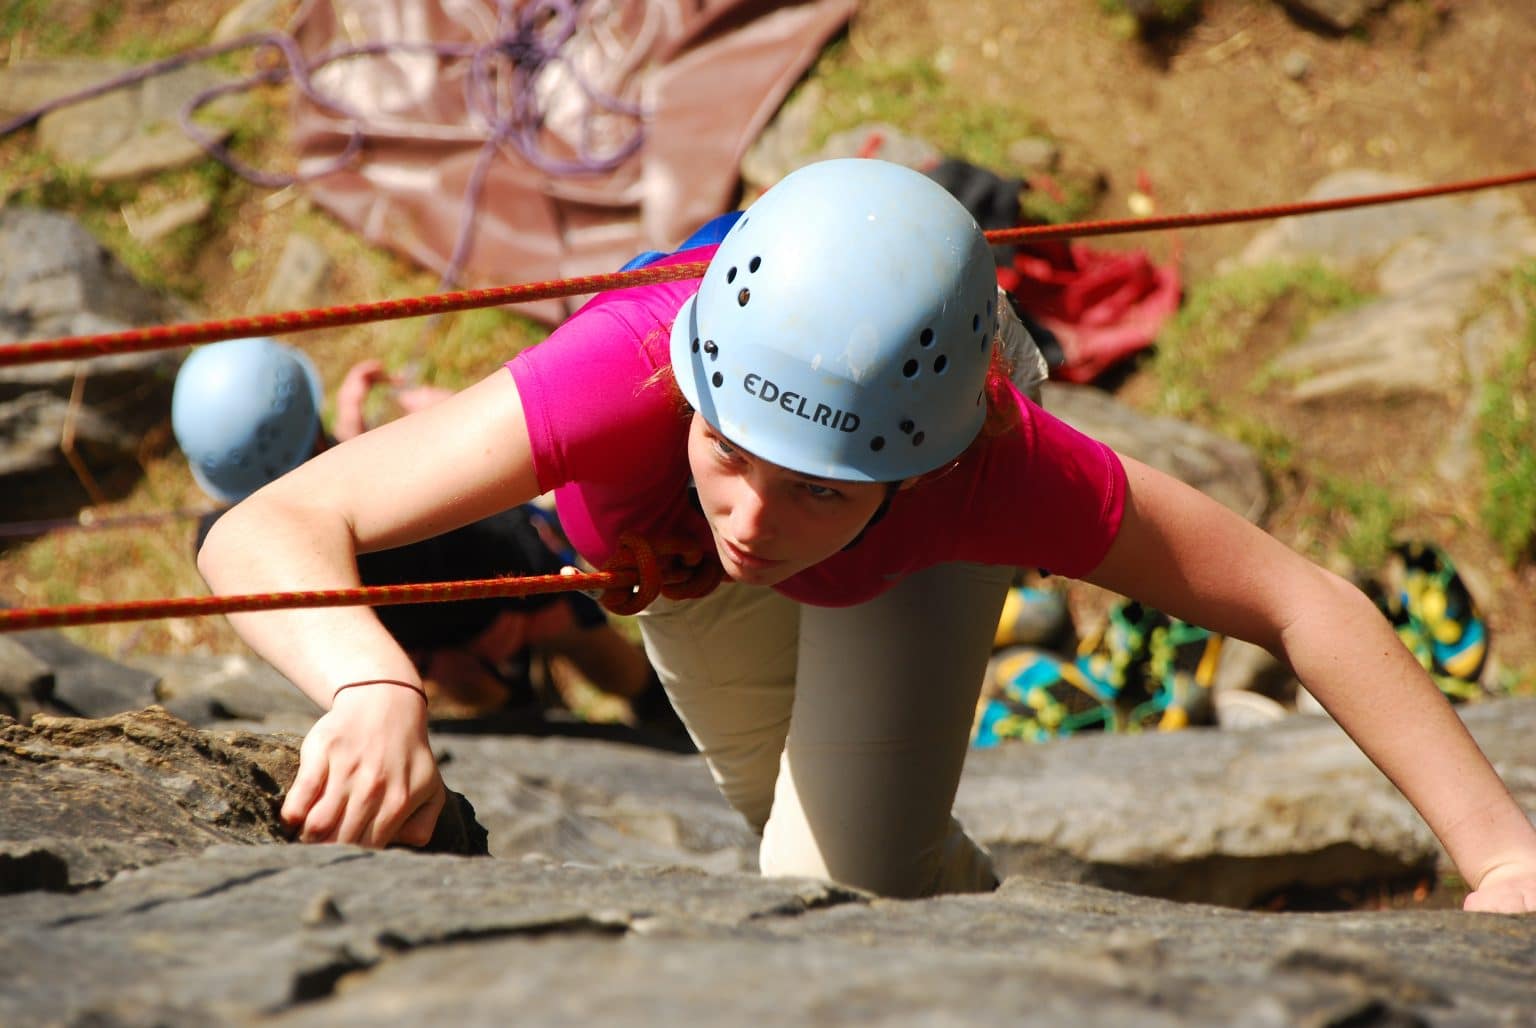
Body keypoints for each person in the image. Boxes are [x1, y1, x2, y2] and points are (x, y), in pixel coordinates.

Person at [196, 158, 1536, 911]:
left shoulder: (991, 465)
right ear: (696, 390)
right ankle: (987, 928)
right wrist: (372, 685)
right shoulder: (638, 368)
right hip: (679, 573)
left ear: (921, 461)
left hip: (919, 566)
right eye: (732, 453)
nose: (758, 523)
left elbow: (1301, 603)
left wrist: (1503, 855)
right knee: (796, 825)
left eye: (819, 487)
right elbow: (270, 527)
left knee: (835, 882)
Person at [172, 336, 684, 744]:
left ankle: (534, 716)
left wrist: (354, 438)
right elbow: (423, 501)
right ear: (314, 428)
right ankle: (655, 707)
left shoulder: (223, 545)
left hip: (434, 648)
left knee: (508, 703)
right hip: (512, 576)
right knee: (601, 655)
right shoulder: (380, 522)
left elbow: (319, 507)